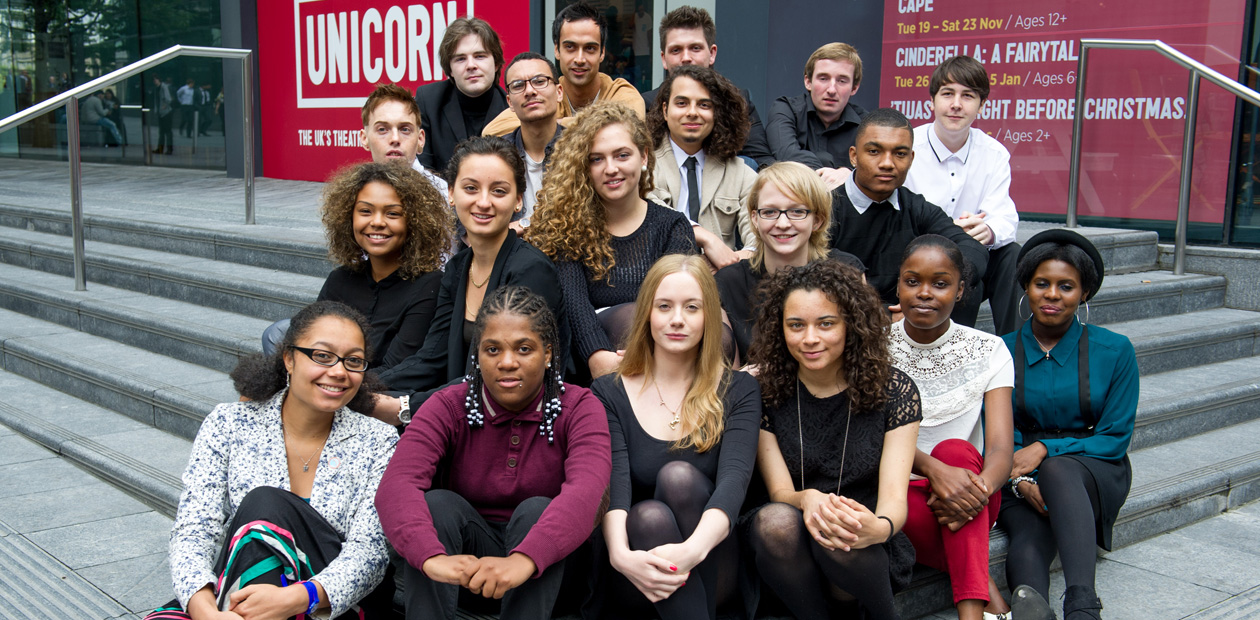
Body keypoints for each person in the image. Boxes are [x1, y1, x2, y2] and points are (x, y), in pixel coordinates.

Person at [146, 301, 399, 620]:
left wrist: (294, 598)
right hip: (240, 594)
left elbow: (370, 553)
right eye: (322, 356)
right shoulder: (229, 423)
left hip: (328, 603)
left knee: (265, 505)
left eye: (353, 361)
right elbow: (195, 527)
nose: (338, 371)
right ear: (289, 359)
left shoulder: (378, 440)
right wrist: (204, 610)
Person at [375, 286, 611, 620]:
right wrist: (431, 557)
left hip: (549, 578)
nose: (507, 362)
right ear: (478, 356)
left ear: (547, 354)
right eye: (492, 349)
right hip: (465, 574)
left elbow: (587, 492)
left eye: (524, 349)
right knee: (437, 505)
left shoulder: (579, 407)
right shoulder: (448, 405)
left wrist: (523, 560)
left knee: (536, 511)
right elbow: (397, 485)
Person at [744, 259, 921, 619]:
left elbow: (893, 500)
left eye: (826, 324)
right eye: (796, 325)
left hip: (860, 541)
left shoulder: (894, 389)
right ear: (780, 330)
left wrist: (881, 527)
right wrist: (807, 499)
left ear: (850, 326)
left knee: (839, 530)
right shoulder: (763, 391)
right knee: (776, 521)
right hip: (791, 541)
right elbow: (779, 492)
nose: (810, 338)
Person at [590, 254, 760, 619]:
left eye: (692, 307)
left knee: (677, 477)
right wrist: (620, 555)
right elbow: (614, 486)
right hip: (637, 569)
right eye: (664, 306)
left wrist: (691, 551)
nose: (677, 319)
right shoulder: (609, 392)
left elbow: (734, 482)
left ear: (709, 317)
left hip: (711, 559)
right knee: (647, 516)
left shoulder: (738, 389)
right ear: (647, 314)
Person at [375, 137, 568, 423]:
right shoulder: (457, 268)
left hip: (518, 422)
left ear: (518, 201)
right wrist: (360, 381)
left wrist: (407, 406)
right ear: (451, 193)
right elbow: (432, 359)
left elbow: (504, 377)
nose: (484, 202)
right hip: (465, 409)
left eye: (499, 191)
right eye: (470, 188)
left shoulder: (531, 271)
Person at [997, 229, 1138, 620]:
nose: (1052, 295)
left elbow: (1114, 437)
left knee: (1059, 469)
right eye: (1042, 283)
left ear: (1084, 294)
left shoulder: (1115, 350)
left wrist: (1045, 449)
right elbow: (994, 429)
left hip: (1094, 467)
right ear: (1026, 286)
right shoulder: (999, 350)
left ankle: (1082, 606)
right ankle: (1032, 611)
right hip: (1015, 470)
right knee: (1026, 535)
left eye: (1066, 286)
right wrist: (1019, 481)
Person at [889, 235, 1015, 620]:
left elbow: (999, 450)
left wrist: (974, 491)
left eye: (940, 284)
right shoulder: (872, 348)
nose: (924, 293)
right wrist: (933, 471)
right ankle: (989, 603)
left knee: (956, 452)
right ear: (898, 284)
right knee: (941, 463)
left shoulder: (989, 349)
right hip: (899, 492)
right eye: (912, 281)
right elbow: (869, 439)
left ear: (960, 291)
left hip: (975, 489)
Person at [527, 102, 695, 380]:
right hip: (593, 361)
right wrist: (597, 356)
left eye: (622, 155)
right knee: (629, 318)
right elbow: (575, 306)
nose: (611, 168)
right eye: (597, 159)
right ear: (583, 166)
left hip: (667, 359)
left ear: (643, 157)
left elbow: (678, 303)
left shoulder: (673, 226)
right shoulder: (566, 227)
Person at [261, 163, 453, 370]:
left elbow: (396, 368)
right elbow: (309, 345)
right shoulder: (340, 279)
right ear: (348, 217)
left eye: (392, 214)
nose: (377, 222)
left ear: (415, 223)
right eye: (365, 211)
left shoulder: (429, 286)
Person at [828, 107, 988, 322]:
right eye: (874, 151)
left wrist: (928, 295)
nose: (887, 163)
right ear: (854, 156)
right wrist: (884, 315)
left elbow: (972, 249)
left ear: (911, 159)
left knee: (964, 278)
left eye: (899, 154)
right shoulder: (826, 208)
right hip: (846, 322)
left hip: (916, 320)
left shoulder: (916, 208)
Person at [904, 56, 1022, 333]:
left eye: (968, 96)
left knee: (1012, 256)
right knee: (964, 267)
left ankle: (1016, 354)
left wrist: (988, 229)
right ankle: (953, 351)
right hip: (920, 256)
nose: (956, 104)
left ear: (981, 106)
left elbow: (1004, 216)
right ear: (931, 102)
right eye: (947, 94)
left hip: (974, 254)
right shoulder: (908, 146)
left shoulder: (994, 153)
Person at [715, 161, 862, 362]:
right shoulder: (728, 283)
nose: (782, 224)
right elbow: (730, 379)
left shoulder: (846, 272)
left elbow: (860, 359)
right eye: (769, 212)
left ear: (817, 220)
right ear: (755, 219)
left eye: (797, 212)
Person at [646, 65, 757, 272]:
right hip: (655, 282)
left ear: (716, 113)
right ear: (665, 110)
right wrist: (704, 237)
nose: (692, 113)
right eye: (682, 103)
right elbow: (647, 208)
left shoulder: (740, 174)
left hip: (721, 285)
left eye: (704, 105)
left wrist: (732, 260)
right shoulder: (643, 164)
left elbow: (761, 236)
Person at [483, 1, 646, 136]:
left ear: (602, 53)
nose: (580, 59)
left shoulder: (618, 92)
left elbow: (631, 127)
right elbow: (491, 132)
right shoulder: (547, 93)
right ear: (557, 50)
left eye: (590, 48)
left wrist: (552, 125)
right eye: (570, 47)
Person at [639, 6, 774, 168]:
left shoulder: (738, 101)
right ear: (663, 58)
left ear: (712, 53)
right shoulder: (645, 105)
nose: (686, 58)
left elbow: (763, 162)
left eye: (695, 48)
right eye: (676, 50)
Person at [767, 43, 868, 190]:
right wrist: (837, 172)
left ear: (854, 88)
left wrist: (849, 174)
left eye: (841, 81)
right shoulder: (786, 108)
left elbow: (875, 170)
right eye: (823, 78)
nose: (832, 90)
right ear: (808, 82)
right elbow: (786, 153)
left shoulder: (866, 125)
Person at [416, 17, 510, 173]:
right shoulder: (429, 101)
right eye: (460, 59)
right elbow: (422, 171)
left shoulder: (510, 109)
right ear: (450, 70)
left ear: (496, 64)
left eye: (480, 56)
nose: (471, 65)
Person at [502, 52, 565, 224]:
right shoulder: (495, 155)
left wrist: (524, 225)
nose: (530, 91)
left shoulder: (581, 149)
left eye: (539, 81)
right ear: (509, 102)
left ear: (559, 92)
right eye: (518, 85)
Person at [360, 83, 448, 194]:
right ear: (364, 139)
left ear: (420, 139)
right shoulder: (354, 194)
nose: (395, 139)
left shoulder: (442, 193)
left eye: (405, 130)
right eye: (382, 129)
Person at [152, 76, 173, 155]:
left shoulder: (164, 87)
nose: (155, 81)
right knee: (161, 132)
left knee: (167, 131)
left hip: (166, 112)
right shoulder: (156, 88)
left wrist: (165, 105)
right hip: (160, 112)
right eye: (154, 79)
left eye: (156, 79)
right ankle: (160, 149)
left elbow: (168, 99)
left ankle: (169, 149)